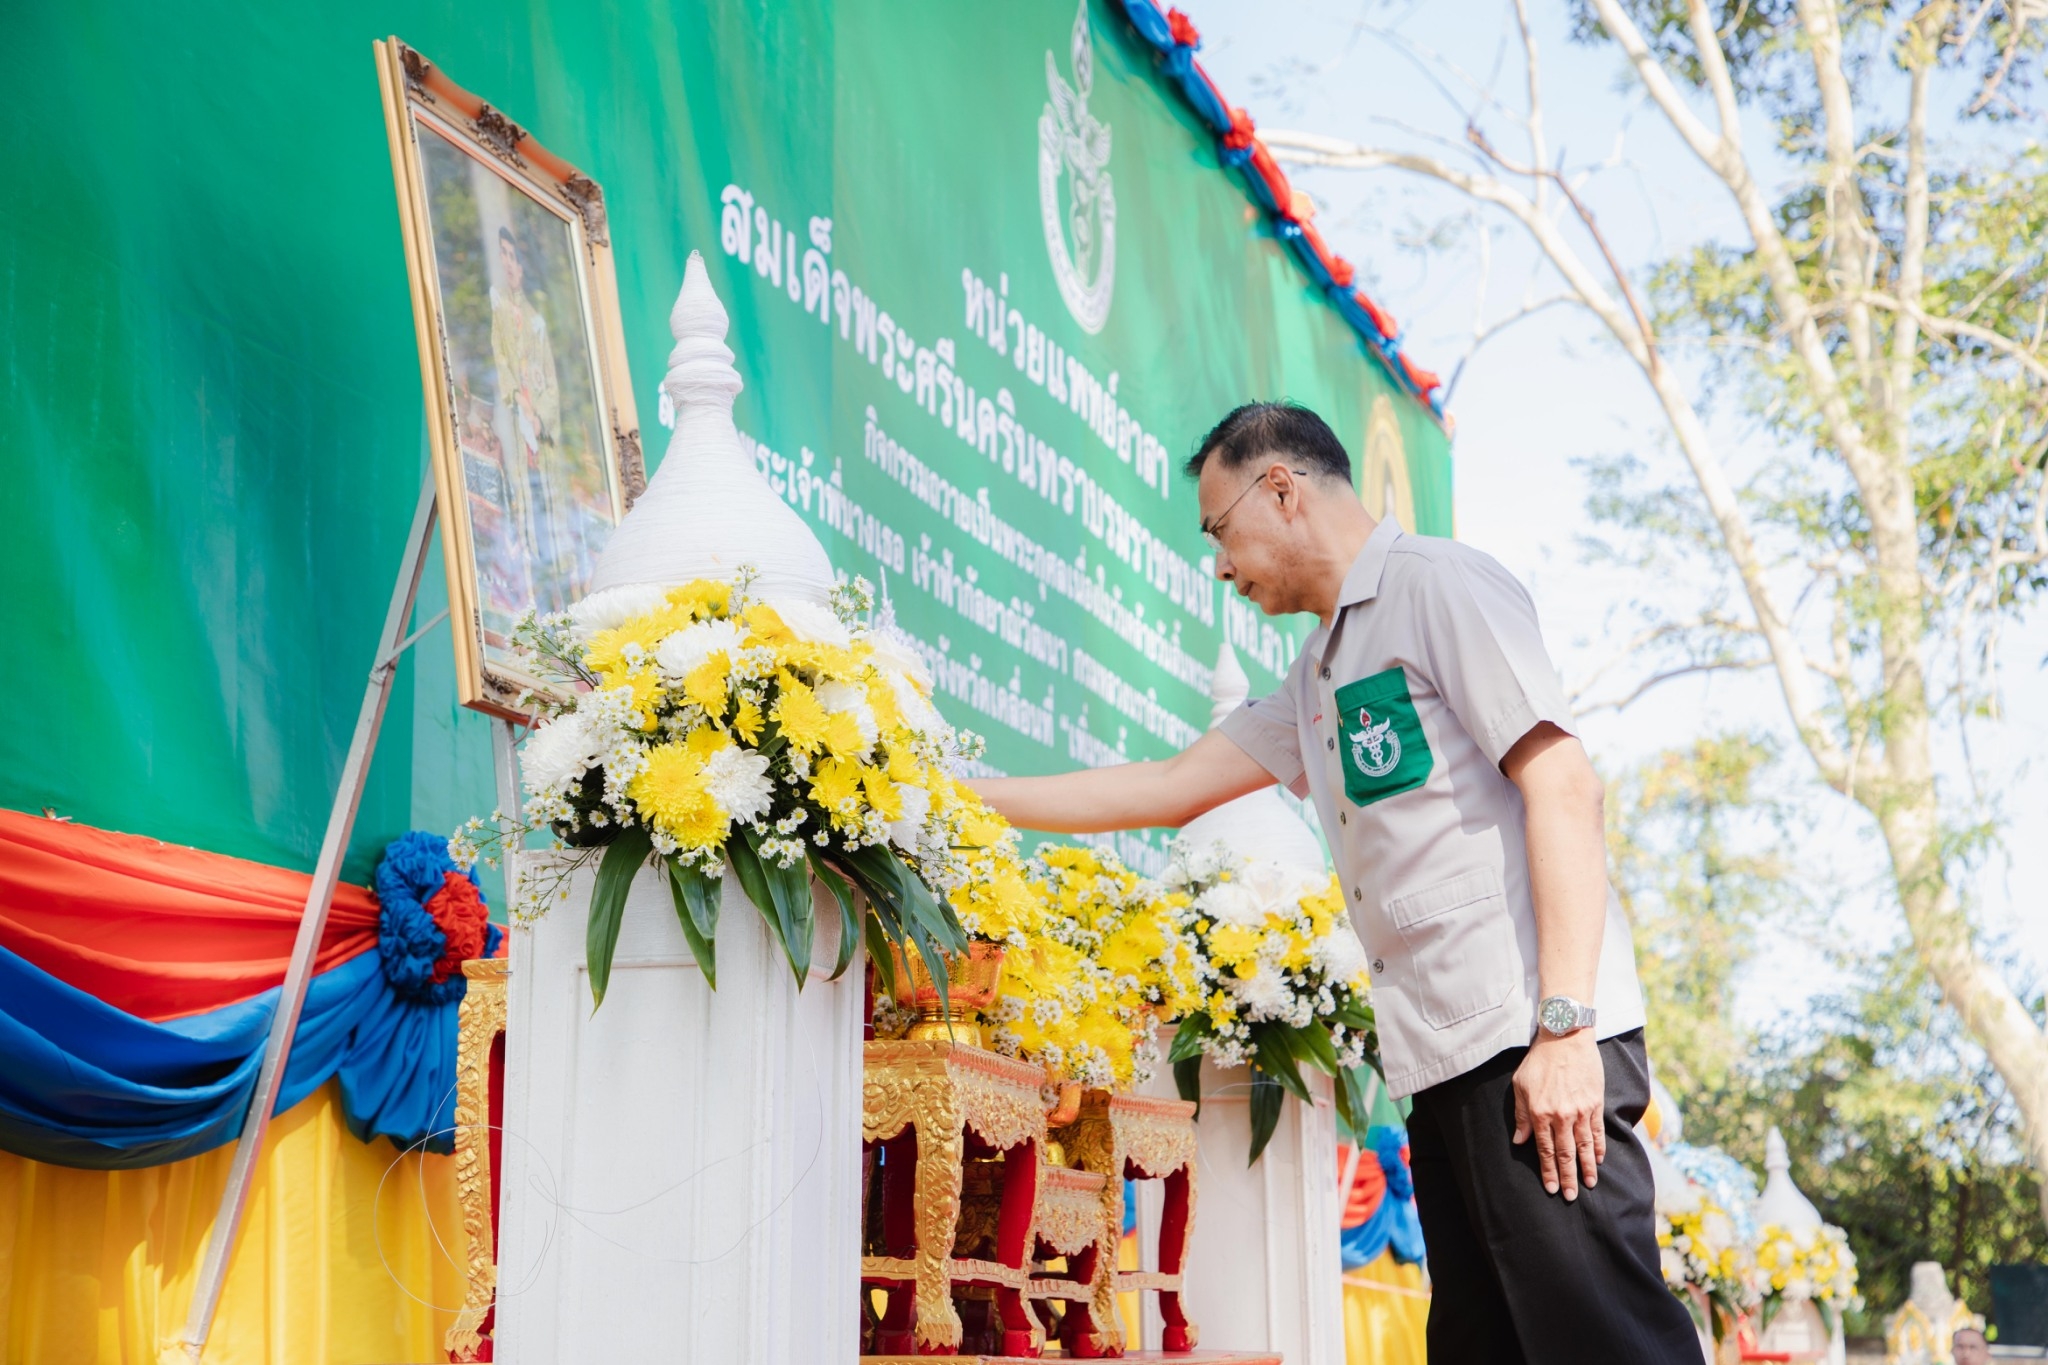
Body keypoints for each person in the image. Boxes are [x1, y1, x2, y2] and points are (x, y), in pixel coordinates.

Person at [972, 402, 1701, 1364]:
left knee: (1600, 1339)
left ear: (1282, 488)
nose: (1223, 565)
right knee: (1487, 1346)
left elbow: (1563, 781)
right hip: (1444, 1066)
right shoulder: (1320, 670)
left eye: (1220, 530)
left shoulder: (1438, 586)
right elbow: (1163, 787)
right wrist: (964, 793)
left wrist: (1564, 1028)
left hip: (1532, 1043)